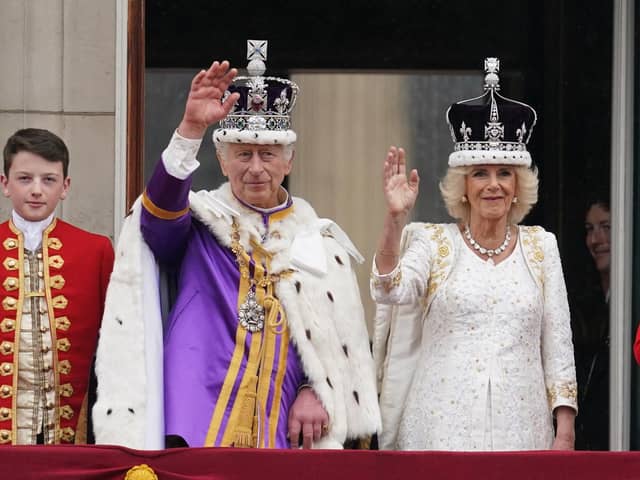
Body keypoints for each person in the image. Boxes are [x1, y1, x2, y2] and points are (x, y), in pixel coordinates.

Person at [93, 41, 380, 450]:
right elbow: (156, 220)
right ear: (223, 160)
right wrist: (190, 130)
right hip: (196, 410)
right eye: (243, 153)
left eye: (268, 153)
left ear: (289, 161)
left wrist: (316, 388)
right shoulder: (199, 222)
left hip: (282, 419)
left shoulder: (318, 240)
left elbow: (330, 337)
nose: (256, 167)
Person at [371, 58, 577, 451]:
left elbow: (558, 346)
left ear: (518, 185)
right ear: (463, 186)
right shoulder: (433, 243)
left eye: (504, 173)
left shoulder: (541, 246)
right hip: (438, 432)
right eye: (480, 173)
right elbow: (388, 288)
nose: (493, 185)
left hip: (523, 433)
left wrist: (564, 432)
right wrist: (395, 219)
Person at [0, 128, 114, 445]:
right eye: (25, 178)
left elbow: (115, 346)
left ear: (65, 187)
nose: (36, 190)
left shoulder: (96, 250)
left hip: (71, 430)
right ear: (5, 183)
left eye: (48, 180)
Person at [571, 197, 610, 450]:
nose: (595, 240)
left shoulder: (631, 303)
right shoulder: (584, 304)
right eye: (589, 229)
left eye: (606, 226)